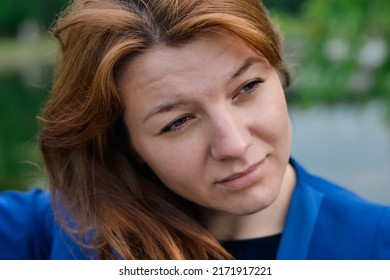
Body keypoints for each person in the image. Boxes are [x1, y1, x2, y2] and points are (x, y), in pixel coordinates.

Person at [0, 0, 389, 260]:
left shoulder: (374, 244)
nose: (234, 144)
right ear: (128, 142)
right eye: (178, 122)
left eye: (248, 87)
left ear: (279, 73)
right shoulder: (56, 231)